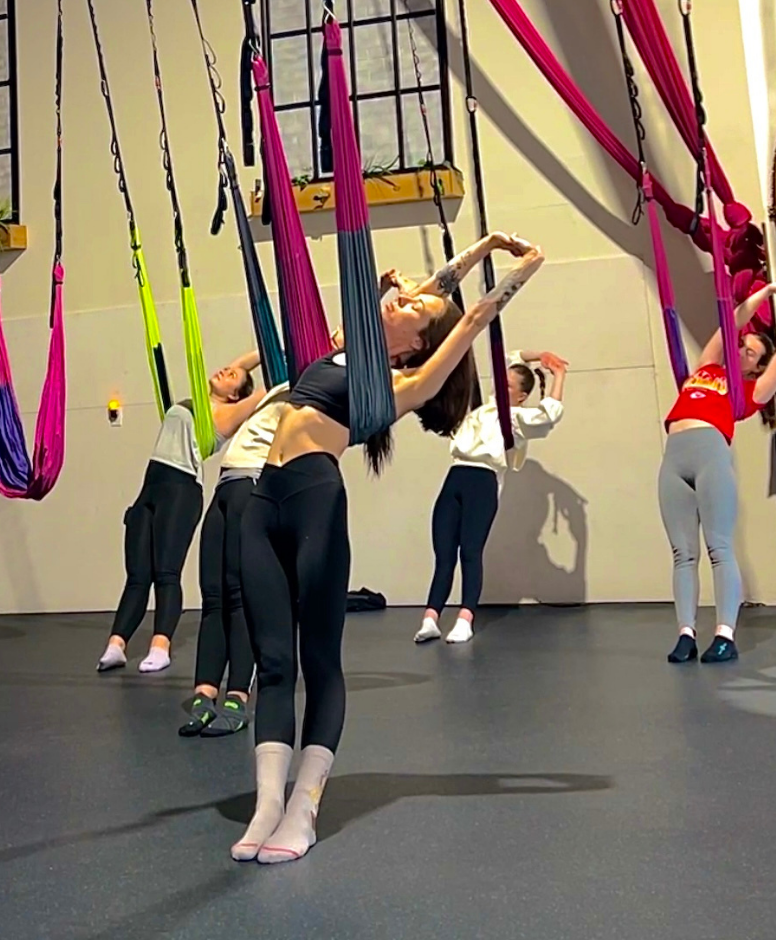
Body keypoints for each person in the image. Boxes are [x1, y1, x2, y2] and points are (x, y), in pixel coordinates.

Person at [232, 237, 544, 864]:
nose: (406, 299)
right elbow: (440, 291)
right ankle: (267, 803)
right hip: (261, 502)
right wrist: (478, 245)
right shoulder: (351, 350)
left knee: (318, 660)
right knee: (271, 661)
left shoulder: (404, 383)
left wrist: (524, 265)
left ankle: (304, 807)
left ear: (416, 345)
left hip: (314, 499)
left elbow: (470, 315)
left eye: (414, 309)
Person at [661, 282, 776, 665]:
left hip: (711, 456)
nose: (742, 349)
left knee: (719, 548)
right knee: (683, 553)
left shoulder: (752, 391)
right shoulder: (707, 368)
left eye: (751, 352)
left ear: (756, 365)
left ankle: (725, 635)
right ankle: (685, 634)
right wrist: (767, 292)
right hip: (674, 457)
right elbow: (732, 322)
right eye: (742, 345)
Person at [97, 354, 265, 674]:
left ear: (234, 395)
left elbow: (261, 392)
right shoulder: (199, 401)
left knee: (166, 573)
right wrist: (258, 345)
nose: (226, 370)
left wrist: (277, 341)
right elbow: (242, 361)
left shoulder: (228, 413)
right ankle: (116, 644)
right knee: (137, 575)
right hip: (151, 486)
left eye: (233, 376)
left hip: (181, 490)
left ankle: (161, 646)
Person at [415, 349, 568, 645]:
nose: (500, 388)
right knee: (444, 555)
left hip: (482, 481)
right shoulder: (481, 408)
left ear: (521, 396)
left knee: (470, 552)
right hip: (455, 477)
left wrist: (558, 374)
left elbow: (550, 413)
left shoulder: (516, 418)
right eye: (501, 382)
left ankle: (465, 618)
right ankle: (430, 618)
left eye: (508, 386)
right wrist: (540, 355)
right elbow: (508, 354)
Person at [179, 381, 291, 738]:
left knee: (239, 595)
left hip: (253, 485)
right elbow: (240, 371)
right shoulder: (264, 395)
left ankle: (238, 697)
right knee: (213, 596)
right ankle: (204, 693)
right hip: (224, 489)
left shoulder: (301, 384)